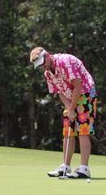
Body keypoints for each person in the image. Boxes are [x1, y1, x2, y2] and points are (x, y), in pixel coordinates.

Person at [30, 47, 97, 179]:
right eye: (40, 65)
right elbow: (60, 92)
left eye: (43, 63)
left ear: (47, 55)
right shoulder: (48, 73)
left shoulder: (66, 62)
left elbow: (77, 86)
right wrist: (69, 108)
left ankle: (84, 169)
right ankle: (65, 167)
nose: (43, 66)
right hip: (69, 98)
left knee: (83, 130)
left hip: (86, 93)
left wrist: (72, 109)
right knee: (68, 131)